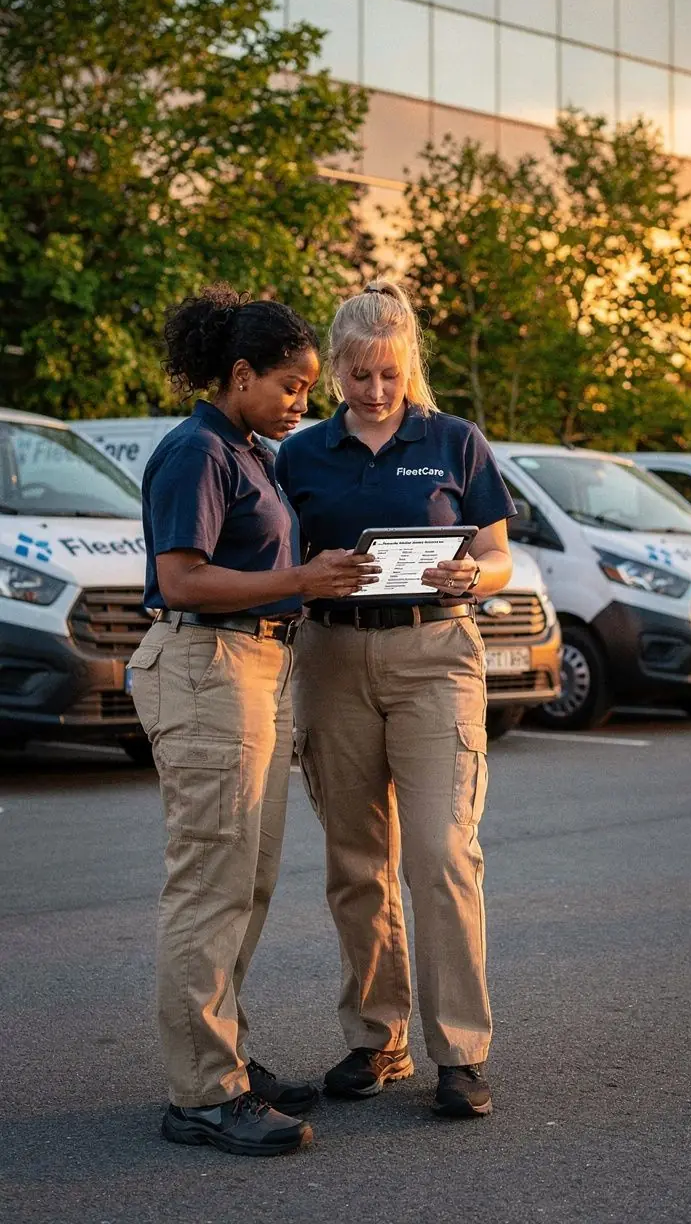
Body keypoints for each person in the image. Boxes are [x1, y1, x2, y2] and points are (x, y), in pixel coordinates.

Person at [128, 283, 378, 1157]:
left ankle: (223, 1056)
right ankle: (202, 1093)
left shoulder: (246, 448)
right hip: (206, 667)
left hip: (256, 670)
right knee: (209, 885)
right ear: (240, 375)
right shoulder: (197, 451)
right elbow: (183, 579)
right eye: (291, 386)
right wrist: (303, 580)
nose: (302, 403)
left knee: (250, 881)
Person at [276, 280, 515, 1120]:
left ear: (409, 363)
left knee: (443, 856)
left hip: (435, 654)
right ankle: (379, 1040)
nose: (375, 392)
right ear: (335, 368)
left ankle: (461, 1053)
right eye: (358, 375)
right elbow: (280, 559)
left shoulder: (454, 441)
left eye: (389, 374)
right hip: (332, 656)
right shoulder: (299, 454)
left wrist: (472, 577)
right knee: (355, 861)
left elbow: (497, 557)